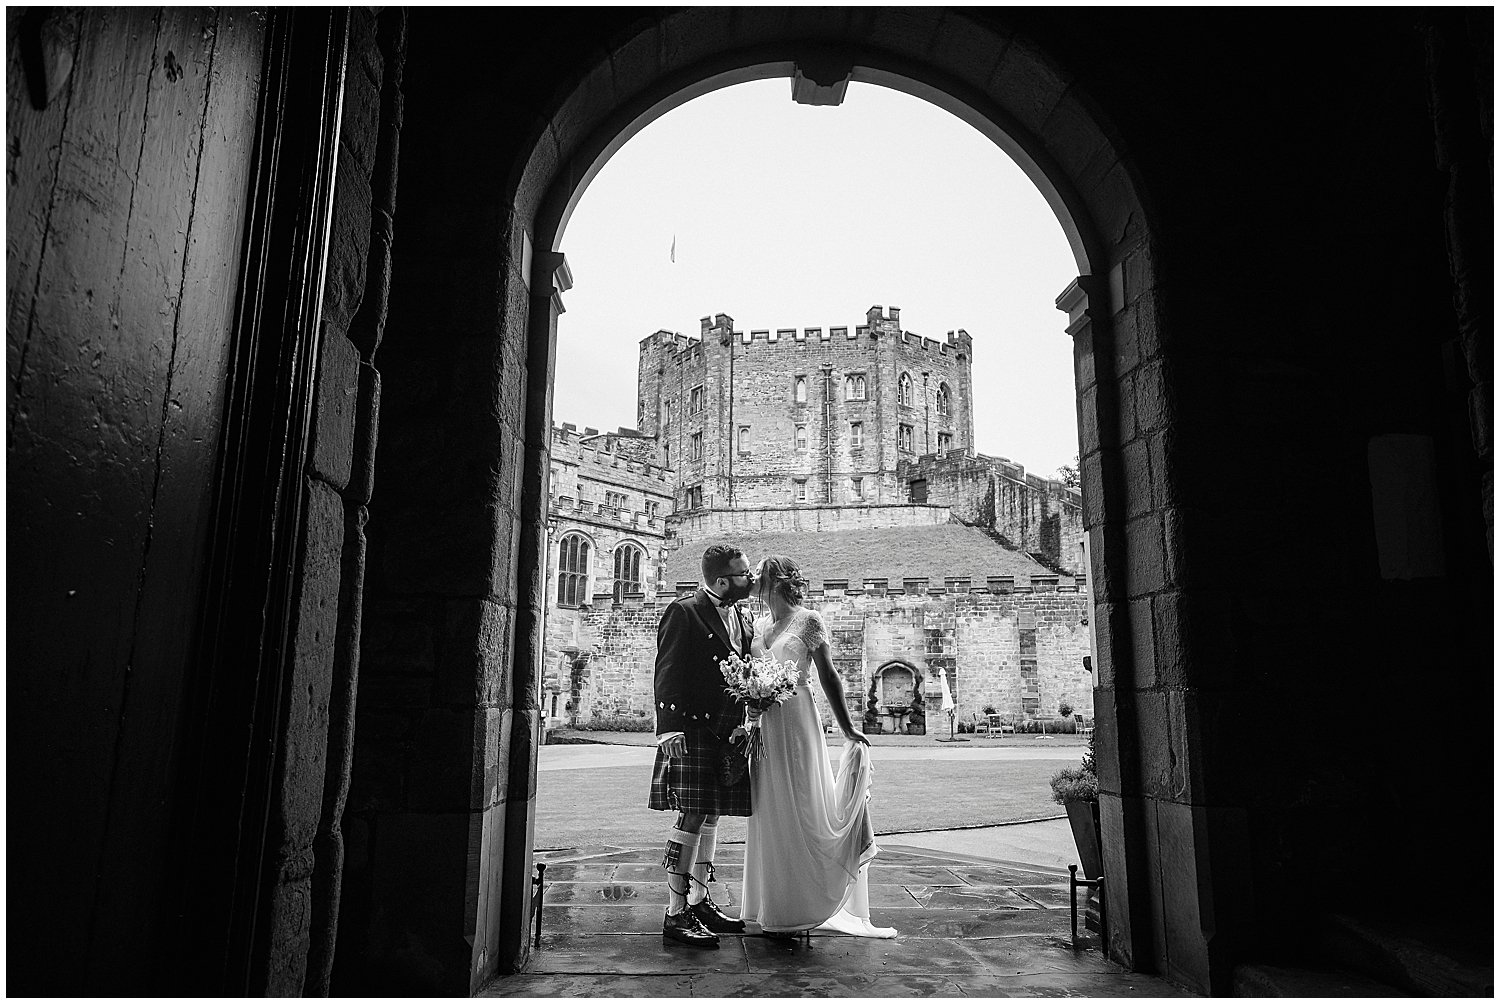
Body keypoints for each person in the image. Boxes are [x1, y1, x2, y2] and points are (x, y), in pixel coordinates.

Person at [739, 554, 898, 939]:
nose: (752, 580)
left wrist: (847, 729)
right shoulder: (758, 625)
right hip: (764, 725)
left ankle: (810, 900)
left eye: (757, 575)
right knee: (770, 809)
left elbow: (829, 677)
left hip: (797, 721)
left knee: (805, 804)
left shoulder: (809, 620)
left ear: (775, 581)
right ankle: (775, 904)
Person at [648, 543, 756, 949]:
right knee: (691, 815)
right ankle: (674, 915)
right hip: (691, 729)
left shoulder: (742, 616)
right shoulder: (684, 611)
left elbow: (742, 672)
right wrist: (669, 728)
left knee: (711, 815)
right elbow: (668, 668)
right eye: (744, 574)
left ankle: (699, 900)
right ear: (723, 579)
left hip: (726, 729)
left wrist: (747, 718)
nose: (751, 579)